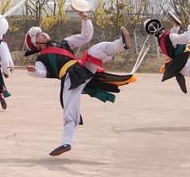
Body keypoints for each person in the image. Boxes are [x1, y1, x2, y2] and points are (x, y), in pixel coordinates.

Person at [24, 8, 136, 156]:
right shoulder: (41, 59)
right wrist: (34, 71)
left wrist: (85, 19)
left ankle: (122, 44)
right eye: (39, 35)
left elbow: (85, 36)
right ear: (37, 43)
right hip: (70, 79)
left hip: (82, 69)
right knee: (70, 113)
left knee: (97, 49)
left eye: (42, 32)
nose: (43, 34)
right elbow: (42, 72)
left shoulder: (64, 43)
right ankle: (66, 143)